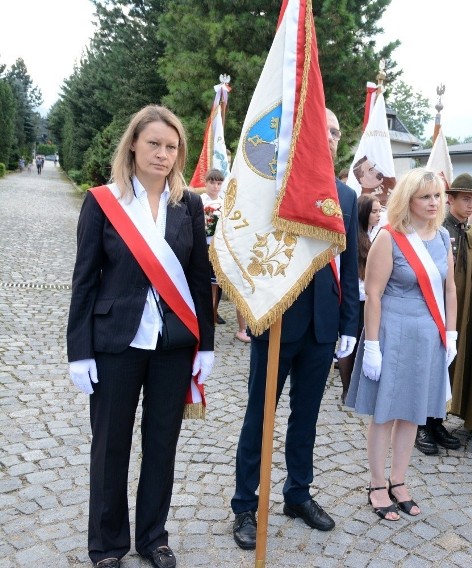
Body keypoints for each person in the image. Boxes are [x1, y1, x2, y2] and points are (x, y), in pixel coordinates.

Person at [67, 105, 214, 568]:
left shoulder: (187, 204)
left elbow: (196, 277)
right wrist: (79, 351)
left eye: (171, 147)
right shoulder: (103, 201)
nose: (163, 154)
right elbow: (85, 279)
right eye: (154, 143)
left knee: (162, 443)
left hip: (172, 345)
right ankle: (108, 545)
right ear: (133, 143)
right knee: (110, 445)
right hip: (115, 342)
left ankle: (153, 538)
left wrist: (205, 342)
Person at [230, 108, 359, 547]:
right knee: (258, 417)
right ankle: (245, 504)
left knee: (306, 418)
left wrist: (349, 324)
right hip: (278, 319)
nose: (331, 139)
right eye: (322, 131)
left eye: (337, 133)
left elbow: (350, 265)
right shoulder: (275, 188)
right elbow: (253, 250)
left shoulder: (345, 196)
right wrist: (248, 307)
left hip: (323, 324)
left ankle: (297, 494)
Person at [346, 167, 457, 520]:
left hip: (428, 335)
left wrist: (450, 334)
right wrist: (374, 346)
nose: (433, 202)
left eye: (437, 195)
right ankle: (378, 483)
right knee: (386, 412)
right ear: (407, 199)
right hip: (392, 332)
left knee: (413, 411)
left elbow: (449, 288)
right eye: (425, 196)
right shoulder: (390, 237)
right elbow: (374, 294)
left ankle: (399, 480)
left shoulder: (441, 238)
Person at [424, 173, 472, 454]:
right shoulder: (436, 230)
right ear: (450, 200)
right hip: (437, 310)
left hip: (459, 313)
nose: (471, 205)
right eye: (466, 199)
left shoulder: (470, 235)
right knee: (431, 366)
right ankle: (420, 425)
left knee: (448, 367)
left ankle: (437, 420)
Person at [338, 193, 381, 404]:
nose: (378, 215)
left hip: (368, 298)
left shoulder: (372, 234)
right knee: (350, 342)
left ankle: (356, 388)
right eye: (374, 211)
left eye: (380, 211)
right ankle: (346, 389)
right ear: (364, 212)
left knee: (363, 342)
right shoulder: (356, 236)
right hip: (357, 297)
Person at [200, 169, 226, 326]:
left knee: (216, 285)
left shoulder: (225, 202)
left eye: (219, 183)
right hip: (203, 246)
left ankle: (213, 314)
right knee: (203, 283)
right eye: (212, 182)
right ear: (206, 182)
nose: (215, 186)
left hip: (218, 248)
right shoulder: (199, 201)